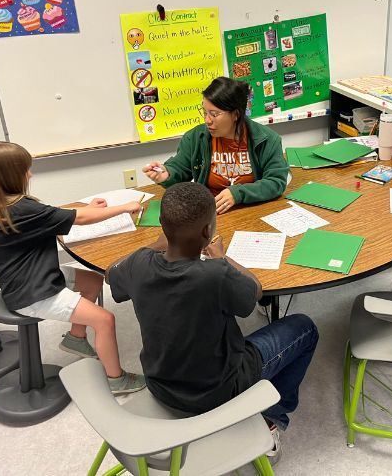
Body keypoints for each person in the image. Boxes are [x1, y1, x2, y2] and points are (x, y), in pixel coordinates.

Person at [106, 182, 319, 464]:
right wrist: (223, 257)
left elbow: (111, 275)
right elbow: (254, 292)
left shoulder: (139, 264)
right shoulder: (215, 274)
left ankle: (266, 413)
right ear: (208, 231)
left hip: (161, 384)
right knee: (305, 327)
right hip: (219, 390)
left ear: (161, 225)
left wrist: (158, 243)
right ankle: (273, 417)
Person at [0, 141, 146, 395]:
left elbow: (52, 213)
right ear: (9, 176)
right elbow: (79, 219)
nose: (30, 174)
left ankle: (76, 338)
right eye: (25, 170)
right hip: (34, 291)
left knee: (92, 281)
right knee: (105, 320)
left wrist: (85, 209)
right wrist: (124, 208)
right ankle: (116, 379)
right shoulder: (21, 209)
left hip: (29, 274)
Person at [143, 76, 289, 215]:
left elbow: (276, 182)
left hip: (252, 211)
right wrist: (166, 174)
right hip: (211, 212)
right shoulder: (195, 138)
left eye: (214, 114)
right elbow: (180, 168)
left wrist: (238, 194)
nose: (207, 120)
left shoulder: (266, 140)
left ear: (236, 114)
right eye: (204, 112)